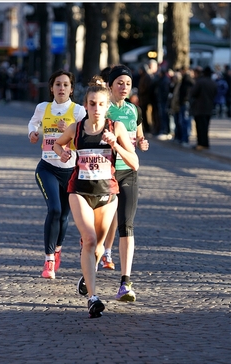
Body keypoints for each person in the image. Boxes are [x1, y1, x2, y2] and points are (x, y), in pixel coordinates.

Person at [53, 81, 139, 318]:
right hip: (79, 191)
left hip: (107, 194)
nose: (97, 108)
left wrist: (116, 146)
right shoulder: (76, 128)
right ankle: (93, 298)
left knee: (99, 248)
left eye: (101, 104)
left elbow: (135, 163)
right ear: (86, 105)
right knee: (89, 240)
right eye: (92, 104)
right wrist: (63, 154)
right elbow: (58, 144)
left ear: (107, 106)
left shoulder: (116, 127)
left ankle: (86, 274)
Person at [78, 65, 149, 303]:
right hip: (103, 176)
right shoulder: (101, 109)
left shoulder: (134, 110)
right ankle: (90, 271)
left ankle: (125, 282)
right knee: (97, 236)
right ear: (109, 87)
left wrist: (141, 142)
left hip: (126, 173)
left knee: (126, 226)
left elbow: (138, 136)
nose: (124, 87)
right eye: (119, 83)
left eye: (128, 84)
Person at [28, 69, 86, 279]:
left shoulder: (78, 111)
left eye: (66, 85)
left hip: (70, 171)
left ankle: (58, 249)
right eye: (58, 84)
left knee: (63, 215)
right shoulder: (43, 107)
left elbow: (85, 138)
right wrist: (32, 133)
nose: (61, 88)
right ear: (51, 88)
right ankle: (49, 260)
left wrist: (69, 130)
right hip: (47, 168)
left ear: (71, 89)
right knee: (53, 209)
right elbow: (33, 123)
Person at [190, 66, 217, 150]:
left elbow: (193, 93)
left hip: (199, 107)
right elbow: (215, 93)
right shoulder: (213, 83)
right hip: (209, 108)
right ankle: (205, 143)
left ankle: (201, 143)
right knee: (206, 126)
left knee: (200, 126)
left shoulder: (200, 82)